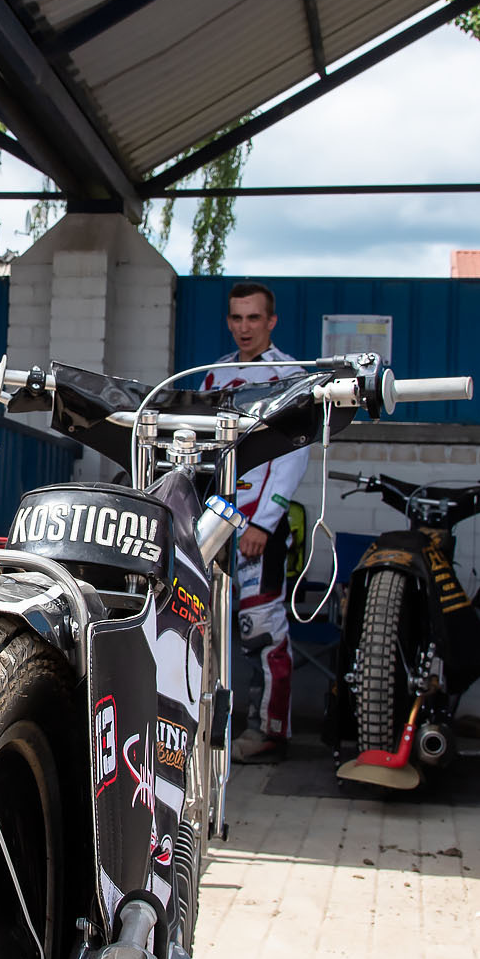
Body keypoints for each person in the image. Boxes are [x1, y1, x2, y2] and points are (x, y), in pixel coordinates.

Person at [201, 282, 308, 765]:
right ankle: (204, 728)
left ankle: (269, 731)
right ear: (228, 321)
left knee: (261, 629)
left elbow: (294, 455)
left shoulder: (292, 376)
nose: (244, 327)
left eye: (253, 318)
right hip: (212, 523)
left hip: (259, 528)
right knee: (201, 627)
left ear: (271, 321)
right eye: (236, 318)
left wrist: (264, 522)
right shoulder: (212, 376)